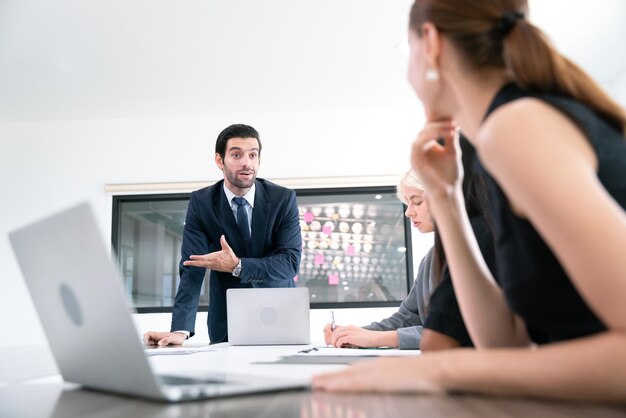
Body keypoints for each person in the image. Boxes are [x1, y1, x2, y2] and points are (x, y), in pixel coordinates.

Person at [313, 0, 626, 402]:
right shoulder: (495, 142)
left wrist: (439, 369)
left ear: (430, 42)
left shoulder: (516, 125)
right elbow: (505, 347)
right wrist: (445, 196)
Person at [324, 144, 495, 350]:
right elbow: (406, 318)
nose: (408, 213)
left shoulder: (477, 249)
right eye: (407, 204)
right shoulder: (431, 258)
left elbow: (453, 331)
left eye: (417, 202)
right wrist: (353, 334)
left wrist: (375, 339)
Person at [144, 124, 302, 345]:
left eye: (253, 155)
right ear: (220, 160)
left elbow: (290, 262)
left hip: (278, 313)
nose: (246, 162)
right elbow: (192, 266)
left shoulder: (282, 200)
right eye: (236, 154)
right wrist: (181, 329)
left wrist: (238, 265)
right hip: (228, 320)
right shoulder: (202, 203)